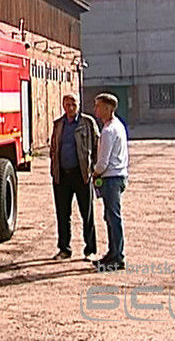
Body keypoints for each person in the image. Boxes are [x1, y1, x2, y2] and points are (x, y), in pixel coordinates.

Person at [49, 93, 100, 261]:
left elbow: (97, 145)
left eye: (73, 104)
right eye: (67, 104)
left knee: (87, 213)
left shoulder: (87, 123)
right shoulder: (58, 124)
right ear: (63, 106)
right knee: (63, 214)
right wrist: (54, 169)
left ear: (79, 105)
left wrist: (94, 169)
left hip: (81, 175)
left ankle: (90, 250)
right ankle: (64, 249)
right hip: (62, 176)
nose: (70, 108)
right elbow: (54, 148)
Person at [91, 93, 129, 271]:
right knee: (110, 216)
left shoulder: (108, 131)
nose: (95, 109)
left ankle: (117, 257)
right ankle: (112, 253)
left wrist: (94, 173)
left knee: (113, 217)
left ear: (108, 108)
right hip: (118, 175)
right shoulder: (117, 126)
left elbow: (103, 162)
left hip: (111, 177)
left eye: (98, 106)